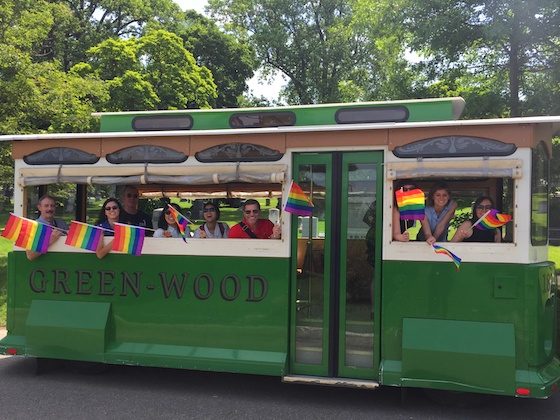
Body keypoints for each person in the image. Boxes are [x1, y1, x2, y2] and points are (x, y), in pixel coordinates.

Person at [26, 194, 68, 261]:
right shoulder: (33, 226)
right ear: (39, 207)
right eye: (46, 206)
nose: (50, 209)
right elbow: (30, 255)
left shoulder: (61, 224)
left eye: (52, 206)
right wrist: (50, 240)